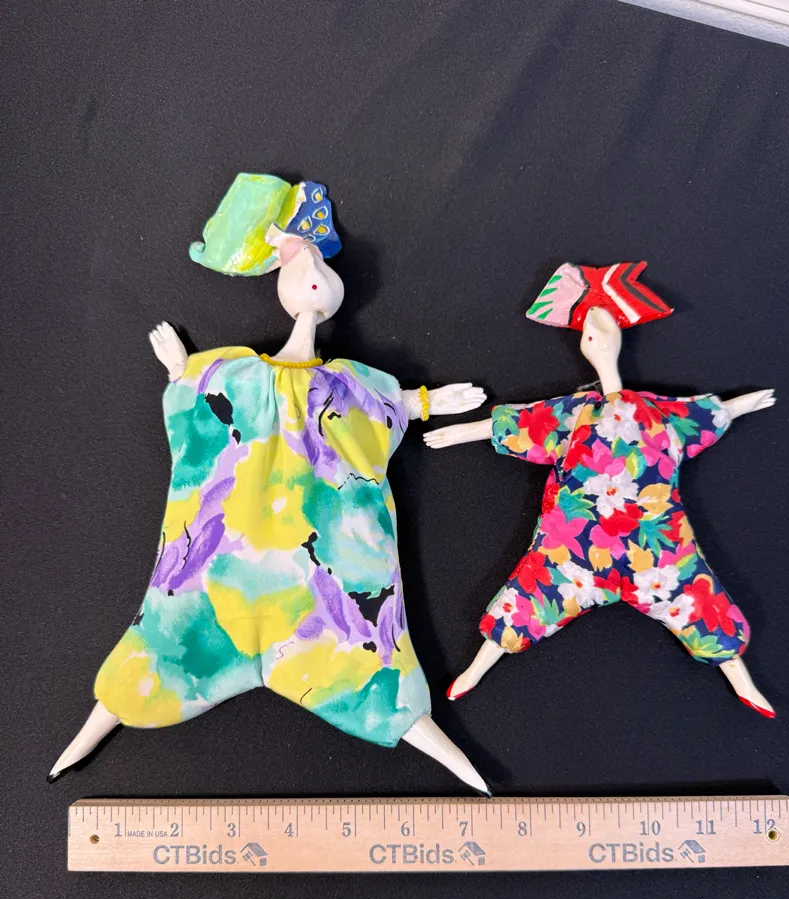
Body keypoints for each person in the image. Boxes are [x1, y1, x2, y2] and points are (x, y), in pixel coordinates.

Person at [50, 173, 490, 792]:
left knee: (362, 635)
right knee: (174, 627)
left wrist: (428, 401)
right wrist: (181, 372)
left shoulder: (344, 383)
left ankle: (407, 720)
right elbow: (205, 402)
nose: (313, 276)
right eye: (300, 261)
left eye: (320, 265)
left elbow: (382, 403)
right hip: (220, 572)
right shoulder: (240, 373)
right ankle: (114, 708)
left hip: (323, 583)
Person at [425, 262, 775, 716]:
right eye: (592, 331)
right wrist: (464, 432)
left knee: (696, 599)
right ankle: (476, 669)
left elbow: (702, 417)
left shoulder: (657, 414)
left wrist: (738, 406)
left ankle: (743, 682)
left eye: (605, 328)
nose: (599, 338)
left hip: (655, 547)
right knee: (528, 598)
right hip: (576, 548)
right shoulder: (577, 414)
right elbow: (527, 424)